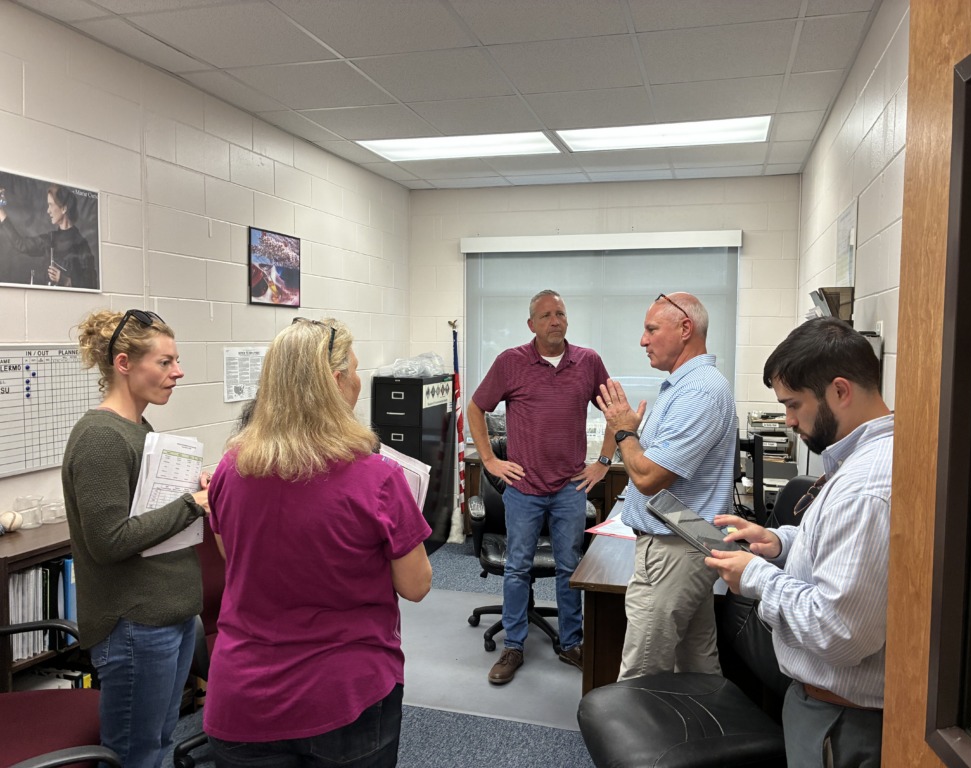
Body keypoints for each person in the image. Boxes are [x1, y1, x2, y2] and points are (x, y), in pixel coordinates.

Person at [204, 317, 432, 768]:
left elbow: (233, 559)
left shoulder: (231, 470)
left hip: (243, 697)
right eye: (355, 370)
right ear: (334, 381)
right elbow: (416, 585)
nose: (360, 382)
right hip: (344, 696)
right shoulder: (378, 478)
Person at [705, 317, 891, 768]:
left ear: (840, 391)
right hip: (826, 706)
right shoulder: (865, 457)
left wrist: (756, 577)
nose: (788, 421)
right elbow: (838, 551)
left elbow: (838, 632)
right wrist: (780, 543)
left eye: (793, 405)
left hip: (843, 719)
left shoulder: (866, 486)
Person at [62, 308, 211, 768]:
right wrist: (192, 504)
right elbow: (108, 541)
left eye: (176, 360)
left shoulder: (137, 429)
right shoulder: (102, 437)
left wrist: (191, 490)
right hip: (135, 626)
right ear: (124, 364)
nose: (178, 372)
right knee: (135, 755)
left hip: (168, 616)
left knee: (159, 742)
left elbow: (145, 513)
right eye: (165, 362)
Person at [468, 289, 616, 685]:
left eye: (561, 314)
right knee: (517, 569)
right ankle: (513, 646)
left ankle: (571, 642)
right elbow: (476, 408)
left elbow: (616, 413)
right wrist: (489, 459)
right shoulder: (510, 362)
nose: (556, 320)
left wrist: (603, 462)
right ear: (531, 324)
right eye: (547, 315)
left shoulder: (588, 362)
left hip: (569, 489)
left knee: (571, 568)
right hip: (524, 491)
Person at [596, 292, 737, 679]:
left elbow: (648, 478)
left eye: (651, 329)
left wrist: (624, 431)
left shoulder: (698, 392)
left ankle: (638, 741)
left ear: (685, 329)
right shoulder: (684, 386)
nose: (643, 340)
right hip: (685, 539)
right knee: (696, 662)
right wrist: (631, 435)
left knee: (642, 670)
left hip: (675, 550)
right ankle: (706, 737)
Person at [0, 184, 97, 288]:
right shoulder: (50, 239)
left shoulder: (81, 245)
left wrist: (66, 280)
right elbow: (21, 244)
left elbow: (92, 284)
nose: (48, 210)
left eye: (51, 205)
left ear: (64, 208)